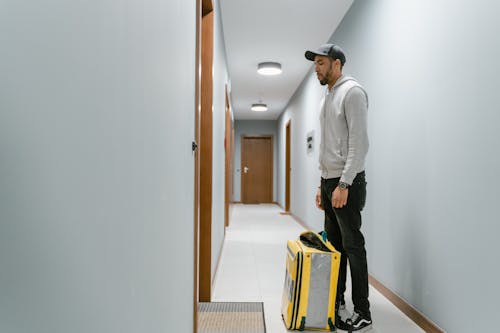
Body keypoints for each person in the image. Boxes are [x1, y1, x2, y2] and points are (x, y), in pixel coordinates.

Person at [305, 44, 372, 332]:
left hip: (348, 181)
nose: (316, 68)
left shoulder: (352, 92)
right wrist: (323, 183)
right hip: (330, 180)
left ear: (337, 64)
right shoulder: (327, 98)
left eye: (321, 63)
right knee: (335, 246)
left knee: (353, 246)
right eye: (315, 64)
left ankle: (363, 312)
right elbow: (327, 146)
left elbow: (359, 144)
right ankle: (336, 301)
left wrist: (343, 183)